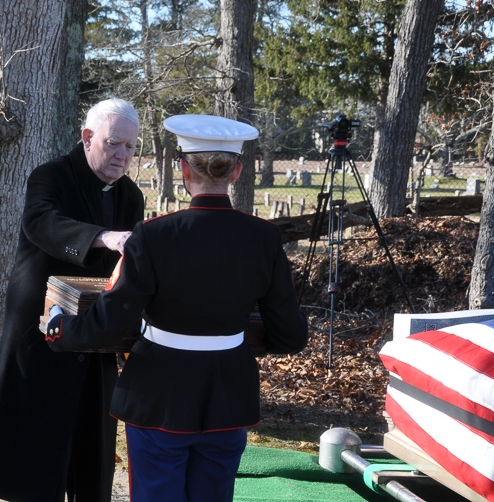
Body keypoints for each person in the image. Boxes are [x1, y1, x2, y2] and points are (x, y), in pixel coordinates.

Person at [45, 114, 309, 502]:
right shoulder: (264, 237)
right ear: (236, 172)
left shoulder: (153, 236)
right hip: (228, 396)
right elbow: (290, 335)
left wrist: (60, 327)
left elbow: (109, 321)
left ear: (184, 169)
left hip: (158, 395)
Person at [0, 98, 145, 501]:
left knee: (91, 432)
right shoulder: (51, 175)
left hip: (96, 327)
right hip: (41, 319)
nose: (122, 155)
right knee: (36, 436)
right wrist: (103, 237)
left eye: (131, 147)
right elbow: (41, 222)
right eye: (114, 143)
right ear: (87, 137)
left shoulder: (131, 196)